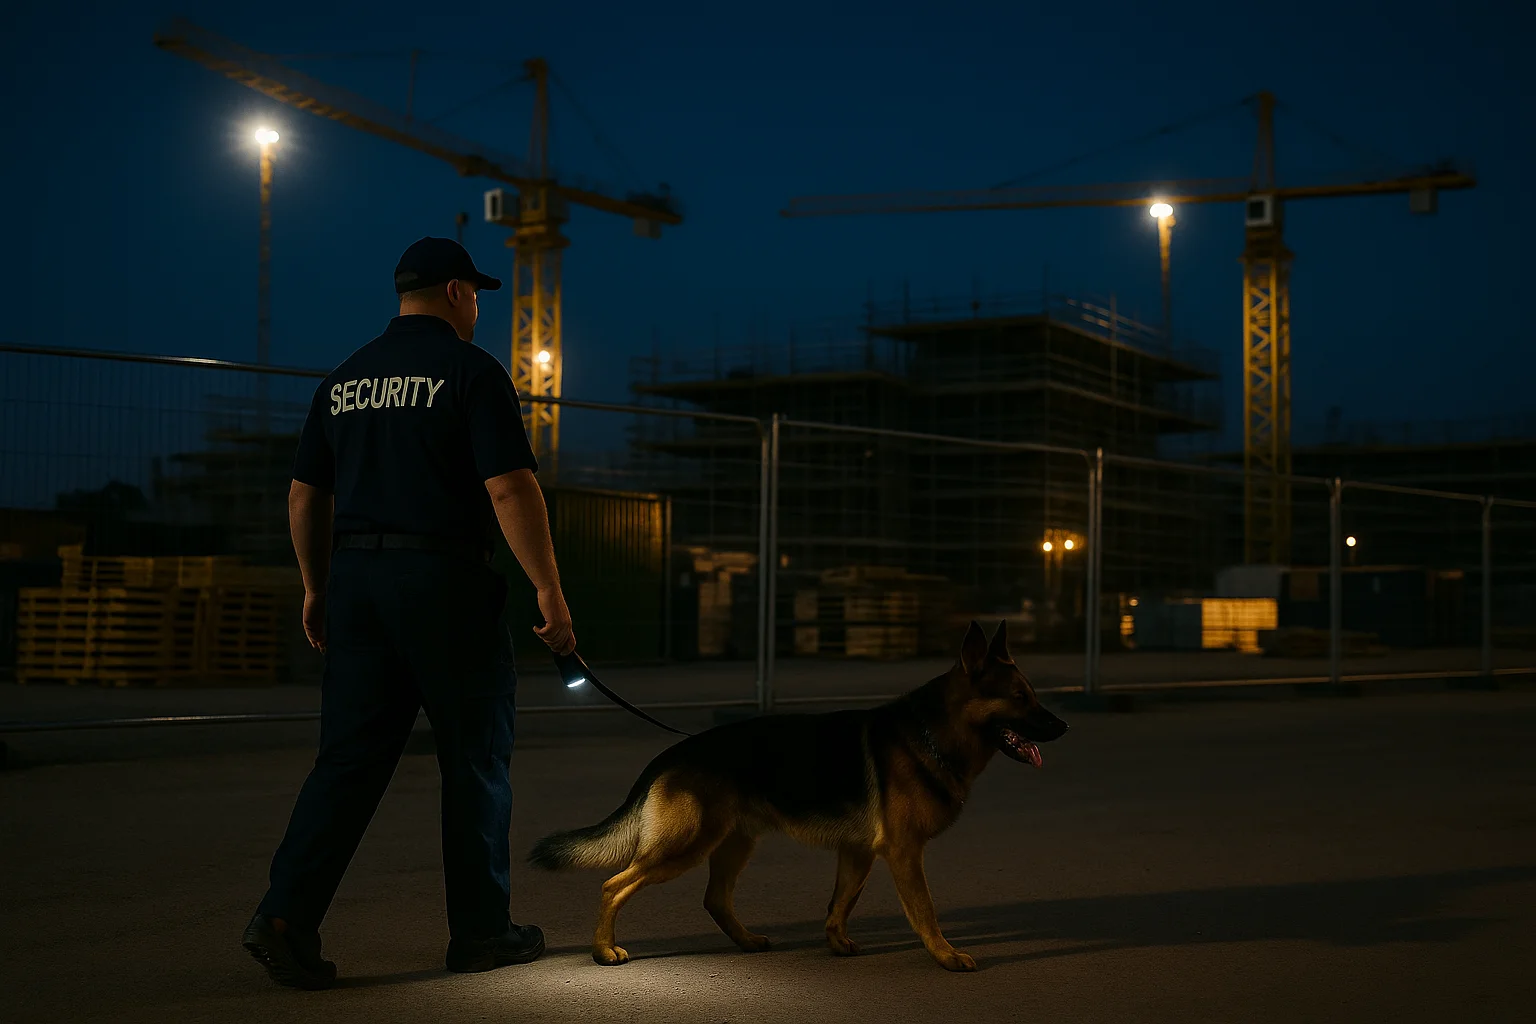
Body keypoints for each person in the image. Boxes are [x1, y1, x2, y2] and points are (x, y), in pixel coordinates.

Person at [241, 237, 576, 989]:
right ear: (458, 292)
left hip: (358, 583)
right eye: (479, 293)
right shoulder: (471, 371)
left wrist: (318, 588)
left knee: (348, 762)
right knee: (474, 761)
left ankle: (285, 917)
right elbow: (509, 489)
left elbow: (303, 497)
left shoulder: (344, 380)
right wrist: (550, 595)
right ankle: (482, 934)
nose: (481, 306)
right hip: (444, 584)